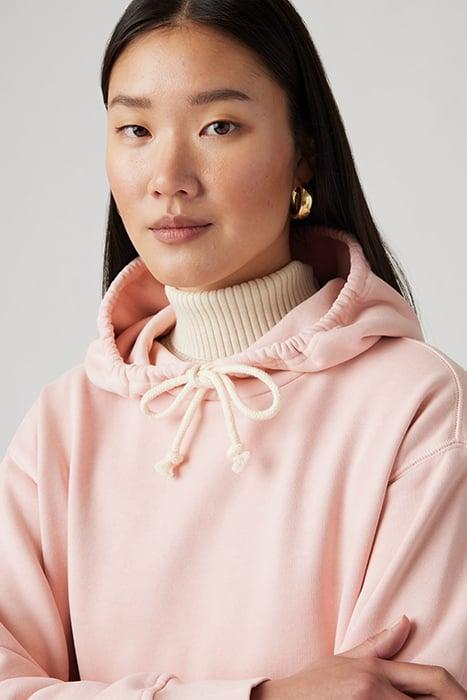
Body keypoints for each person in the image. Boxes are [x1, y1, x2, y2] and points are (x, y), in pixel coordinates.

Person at [1, 0, 466, 698]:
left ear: (303, 152)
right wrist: (266, 695)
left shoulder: (419, 409)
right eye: (135, 129)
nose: (168, 176)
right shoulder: (62, 425)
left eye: (219, 126)